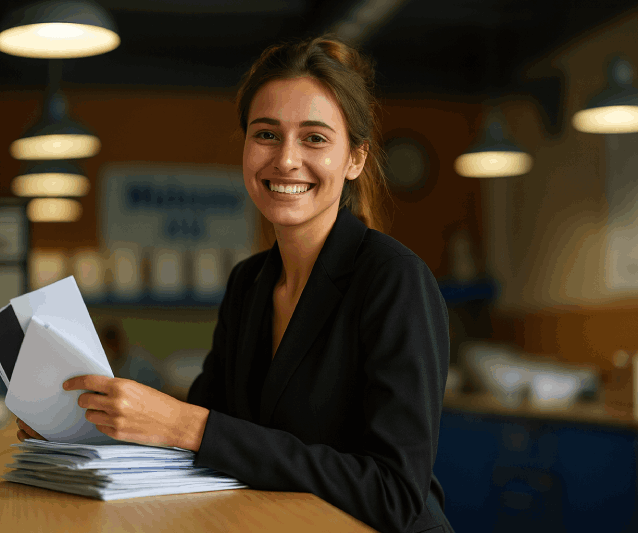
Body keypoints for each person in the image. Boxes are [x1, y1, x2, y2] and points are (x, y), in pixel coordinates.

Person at [17, 36, 454, 533]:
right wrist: (76, 426)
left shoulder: (395, 280)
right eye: (266, 134)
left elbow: (392, 493)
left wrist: (189, 425)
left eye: (314, 138)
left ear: (355, 158)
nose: (286, 160)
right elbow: (204, 440)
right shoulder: (249, 283)